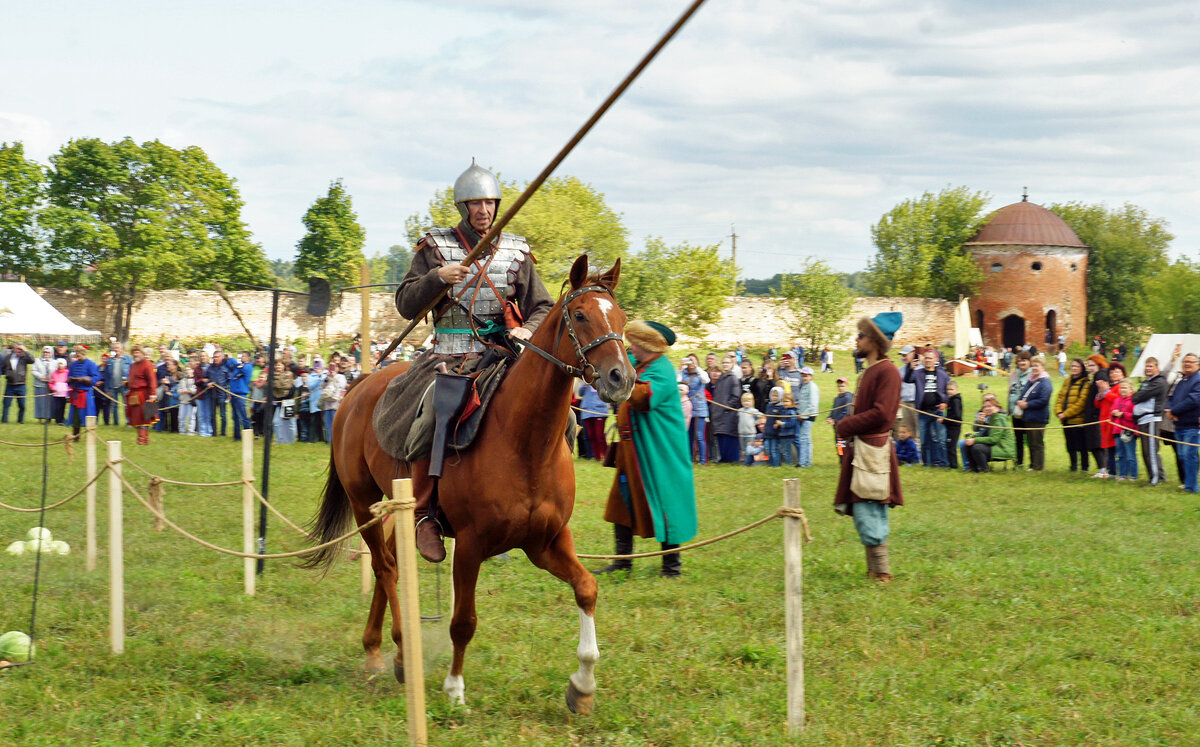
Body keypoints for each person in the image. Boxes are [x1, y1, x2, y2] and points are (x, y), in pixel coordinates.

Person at [390, 161, 556, 562]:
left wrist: (527, 330)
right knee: (436, 413)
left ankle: (544, 497)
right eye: (475, 203)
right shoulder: (435, 247)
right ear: (463, 206)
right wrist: (436, 279)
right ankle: (424, 514)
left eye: (489, 202)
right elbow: (404, 304)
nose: (483, 210)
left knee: (560, 416)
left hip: (503, 356)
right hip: (450, 356)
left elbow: (544, 307)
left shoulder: (517, 251)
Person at [596, 320, 697, 577]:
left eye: (635, 343)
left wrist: (619, 378)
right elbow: (613, 362)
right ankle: (622, 562)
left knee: (666, 503)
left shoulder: (662, 368)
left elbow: (643, 398)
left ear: (646, 345)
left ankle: (671, 567)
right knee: (621, 504)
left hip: (659, 452)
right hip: (633, 451)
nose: (630, 347)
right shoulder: (636, 360)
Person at [835, 312, 904, 583]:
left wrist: (847, 425)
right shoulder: (870, 370)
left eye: (862, 335)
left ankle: (882, 573)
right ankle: (873, 570)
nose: (857, 339)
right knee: (863, 507)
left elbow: (883, 415)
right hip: (863, 448)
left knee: (870, 508)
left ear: (874, 340)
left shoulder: (887, 371)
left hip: (873, 450)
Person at [905, 348, 949, 467]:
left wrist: (945, 403)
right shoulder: (918, 373)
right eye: (926, 358)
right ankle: (926, 462)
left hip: (937, 411)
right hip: (922, 411)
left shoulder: (942, 374)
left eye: (930, 358)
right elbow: (907, 379)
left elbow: (948, 391)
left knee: (938, 439)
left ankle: (941, 462)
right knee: (924, 440)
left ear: (936, 360)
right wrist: (910, 367)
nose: (928, 360)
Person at [1131, 355, 1170, 486]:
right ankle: (1156, 476)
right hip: (1143, 419)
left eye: (1150, 366)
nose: (1147, 368)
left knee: (1151, 451)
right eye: (1146, 366)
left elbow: (1139, 396)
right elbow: (1136, 396)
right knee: (1145, 451)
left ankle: (1156, 479)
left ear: (1156, 368)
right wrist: (1137, 396)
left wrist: (1137, 395)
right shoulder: (1147, 382)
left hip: (1152, 419)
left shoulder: (1158, 382)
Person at [1164, 352, 1200, 494]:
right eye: (1185, 361)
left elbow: (1193, 400)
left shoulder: (1198, 380)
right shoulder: (1182, 380)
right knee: (1183, 456)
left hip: (1192, 425)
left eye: (1191, 361)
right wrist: (1169, 409)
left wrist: (1174, 411)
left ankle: (1192, 487)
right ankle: (1188, 483)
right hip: (1179, 426)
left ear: (1197, 364)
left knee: (1189, 455)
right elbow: (1171, 396)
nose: (1187, 363)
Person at [1014, 357, 1053, 471]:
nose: (1034, 368)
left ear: (1043, 367)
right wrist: (1020, 401)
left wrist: (1028, 405)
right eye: (1033, 365)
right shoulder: (1031, 380)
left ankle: (1039, 466)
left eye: (1037, 365)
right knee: (1031, 442)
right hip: (1028, 417)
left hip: (1038, 417)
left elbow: (1044, 399)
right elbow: (1024, 394)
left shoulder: (1045, 382)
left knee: (1037, 443)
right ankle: (1033, 464)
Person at [1093, 361, 1127, 479]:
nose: (1114, 374)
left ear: (1123, 374)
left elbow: (1118, 399)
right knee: (1109, 449)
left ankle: (1120, 472)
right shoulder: (1110, 386)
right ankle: (1111, 471)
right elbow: (1098, 404)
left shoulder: (1122, 386)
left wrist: (1106, 392)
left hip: (1115, 422)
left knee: (1118, 448)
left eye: (1117, 371)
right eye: (1112, 372)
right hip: (1105, 421)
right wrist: (1100, 393)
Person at [1057, 359, 1091, 472]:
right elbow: (1060, 397)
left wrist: (1066, 414)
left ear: (1082, 368)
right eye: (1072, 366)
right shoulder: (1067, 381)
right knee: (1070, 445)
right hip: (1066, 420)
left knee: (1082, 445)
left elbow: (1081, 402)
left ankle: (1084, 467)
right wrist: (1059, 411)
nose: (1074, 368)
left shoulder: (1085, 382)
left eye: (1077, 366)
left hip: (1078, 420)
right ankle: (1073, 466)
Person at [963, 399, 1015, 472]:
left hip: (1003, 448)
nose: (987, 408)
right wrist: (972, 437)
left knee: (977, 448)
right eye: (985, 407)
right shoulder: (992, 418)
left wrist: (974, 440)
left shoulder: (999, 419)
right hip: (996, 445)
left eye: (990, 406)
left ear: (998, 408)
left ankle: (984, 469)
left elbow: (994, 439)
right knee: (967, 445)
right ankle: (973, 469)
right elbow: (985, 435)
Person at [710, 356, 743, 464]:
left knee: (729, 436)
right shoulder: (721, 378)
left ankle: (732, 458)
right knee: (721, 435)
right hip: (719, 412)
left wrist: (726, 406)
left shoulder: (733, 378)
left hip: (728, 412)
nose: (725, 365)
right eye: (723, 363)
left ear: (732, 364)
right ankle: (723, 457)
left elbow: (736, 396)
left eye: (727, 363)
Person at [678, 354, 710, 465]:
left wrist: (697, 367)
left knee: (699, 435)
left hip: (699, 407)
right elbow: (677, 382)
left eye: (692, 360)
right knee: (689, 435)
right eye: (689, 360)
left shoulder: (700, 373)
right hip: (686, 407)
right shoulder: (683, 373)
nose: (690, 362)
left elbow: (706, 380)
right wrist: (680, 368)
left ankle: (703, 459)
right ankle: (690, 459)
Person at [125, 346, 158, 445]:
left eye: (137, 352)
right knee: (137, 419)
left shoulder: (147, 364)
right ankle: (142, 439)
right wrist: (127, 383)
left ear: (142, 353)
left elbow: (152, 380)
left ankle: (142, 440)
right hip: (134, 395)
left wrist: (153, 394)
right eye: (134, 352)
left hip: (145, 394)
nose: (135, 354)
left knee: (145, 418)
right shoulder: (133, 365)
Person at [64, 346, 100, 436]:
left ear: (83, 353)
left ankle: (91, 436)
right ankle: (76, 436)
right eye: (76, 354)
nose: (77, 356)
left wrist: (85, 379)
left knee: (88, 415)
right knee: (76, 416)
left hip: (86, 394)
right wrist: (70, 380)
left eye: (79, 354)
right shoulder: (73, 364)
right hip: (76, 394)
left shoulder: (91, 364)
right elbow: (69, 376)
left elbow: (95, 378)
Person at [1110, 379, 1139, 481]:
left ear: (1131, 389)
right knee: (1120, 454)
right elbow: (1112, 414)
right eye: (1121, 388)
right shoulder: (1117, 400)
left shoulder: (1133, 401)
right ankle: (1122, 474)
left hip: (1129, 431)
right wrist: (1113, 413)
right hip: (1118, 430)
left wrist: (1123, 414)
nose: (1123, 390)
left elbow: (1135, 416)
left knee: (1130, 454)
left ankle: (1133, 475)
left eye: (1125, 388)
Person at [1007, 351, 1033, 467]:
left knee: (1030, 438)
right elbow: (1010, 391)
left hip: (1027, 411)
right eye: (1019, 360)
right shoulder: (1013, 374)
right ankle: (1019, 462)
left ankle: (1033, 462)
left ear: (1029, 362)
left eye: (1024, 360)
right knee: (1018, 438)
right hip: (1015, 411)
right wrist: (1008, 408)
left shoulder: (1032, 374)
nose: (1021, 362)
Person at [1, 343, 35, 424]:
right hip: (10, 384)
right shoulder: (8, 357)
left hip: (21, 384)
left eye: (21, 349)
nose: (19, 351)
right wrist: (7, 374)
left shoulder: (24, 357)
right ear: (14, 348)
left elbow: (32, 360)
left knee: (22, 405)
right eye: (17, 348)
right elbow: (2, 367)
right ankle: (4, 421)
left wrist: (26, 350)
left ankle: (20, 421)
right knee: (6, 403)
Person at [793, 367, 819, 467]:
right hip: (803, 415)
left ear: (811, 377)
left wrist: (802, 416)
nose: (804, 378)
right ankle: (807, 462)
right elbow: (802, 402)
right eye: (803, 376)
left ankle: (803, 463)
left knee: (804, 439)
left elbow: (812, 405)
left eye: (807, 376)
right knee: (806, 439)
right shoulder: (804, 386)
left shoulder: (812, 387)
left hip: (808, 416)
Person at [764, 387, 796, 467]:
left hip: (775, 433)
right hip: (768, 432)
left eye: (777, 396)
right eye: (773, 395)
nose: (774, 398)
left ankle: (776, 465)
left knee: (775, 450)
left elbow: (783, 419)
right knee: (768, 449)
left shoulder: (781, 408)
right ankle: (771, 464)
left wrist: (779, 424)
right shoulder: (769, 405)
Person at [105, 342, 133, 426]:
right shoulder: (110, 360)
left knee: (127, 405)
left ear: (122, 349)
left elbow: (133, 372)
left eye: (118, 348)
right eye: (115, 348)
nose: (116, 349)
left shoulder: (128, 359)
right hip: (113, 386)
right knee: (114, 405)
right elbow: (107, 376)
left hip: (125, 387)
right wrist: (107, 389)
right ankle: (115, 423)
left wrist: (128, 382)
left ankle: (128, 422)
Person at [228, 351, 254, 439]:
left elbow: (239, 366)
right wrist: (229, 360)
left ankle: (248, 435)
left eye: (243, 356)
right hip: (233, 394)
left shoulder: (248, 366)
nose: (242, 358)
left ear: (248, 358)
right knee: (235, 416)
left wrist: (232, 358)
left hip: (241, 395)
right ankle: (237, 436)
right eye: (241, 356)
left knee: (243, 416)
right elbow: (229, 365)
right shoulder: (238, 367)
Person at [320, 362, 347, 444]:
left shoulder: (341, 377)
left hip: (336, 403)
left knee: (336, 424)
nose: (333, 369)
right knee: (328, 424)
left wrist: (333, 377)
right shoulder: (327, 377)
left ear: (338, 368)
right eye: (331, 367)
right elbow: (321, 385)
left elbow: (342, 385)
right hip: (327, 403)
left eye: (335, 367)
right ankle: (329, 441)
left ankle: (337, 441)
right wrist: (327, 378)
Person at [31, 346, 57, 423]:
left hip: (50, 384)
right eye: (44, 352)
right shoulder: (37, 361)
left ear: (51, 353)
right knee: (40, 402)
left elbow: (56, 372)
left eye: (48, 352)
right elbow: (33, 370)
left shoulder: (55, 362)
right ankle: (40, 418)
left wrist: (52, 378)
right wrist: (40, 376)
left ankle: (48, 418)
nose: (46, 353)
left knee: (49, 402)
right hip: (40, 384)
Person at [736, 392, 762, 465]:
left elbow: (761, 416)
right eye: (744, 401)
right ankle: (745, 461)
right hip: (741, 433)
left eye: (748, 401)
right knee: (743, 449)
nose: (746, 403)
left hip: (750, 434)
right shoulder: (740, 410)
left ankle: (750, 462)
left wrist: (756, 422)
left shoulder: (753, 411)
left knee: (750, 449)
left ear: (752, 401)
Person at [827, 377, 853, 445]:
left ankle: (844, 455)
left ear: (847, 386)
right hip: (837, 427)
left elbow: (847, 412)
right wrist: (830, 417)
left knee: (843, 446)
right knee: (839, 446)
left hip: (844, 427)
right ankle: (841, 455)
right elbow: (833, 410)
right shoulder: (837, 398)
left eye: (842, 386)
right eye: (839, 386)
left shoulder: (848, 397)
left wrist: (835, 420)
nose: (840, 388)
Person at [943, 380, 963, 469]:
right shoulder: (951, 400)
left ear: (957, 390)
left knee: (951, 446)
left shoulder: (955, 400)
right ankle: (951, 463)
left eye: (952, 389)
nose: (949, 391)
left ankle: (953, 465)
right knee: (949, 445)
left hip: (954, 427)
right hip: (951, 426)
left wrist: (944, 421)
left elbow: (956, 416)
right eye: (948, 389)